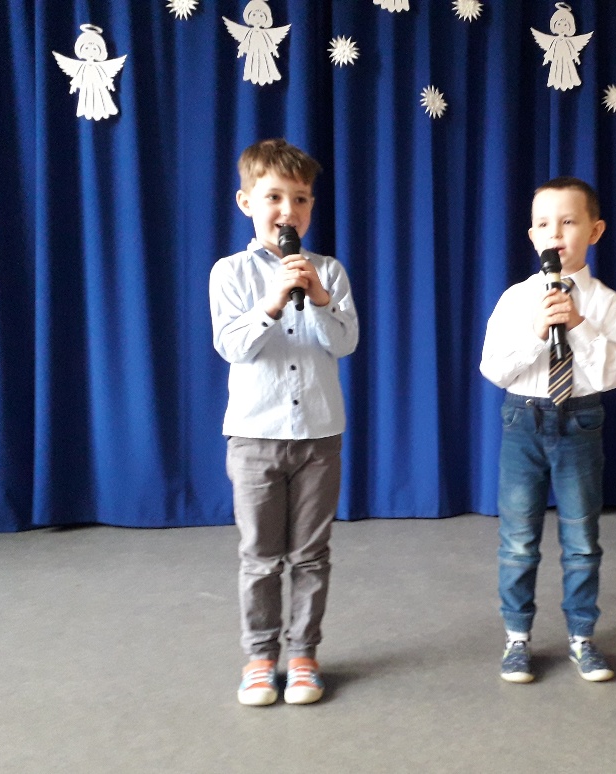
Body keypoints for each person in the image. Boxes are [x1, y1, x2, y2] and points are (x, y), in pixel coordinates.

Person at [209, 138, 359, 706]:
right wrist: (272, 302)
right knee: (259, 555)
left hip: (319, 436)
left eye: (300, 199)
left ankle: (303, 656)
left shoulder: (330, 271)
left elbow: (344, 342)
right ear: (246, 202)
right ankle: (259, 657)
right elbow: (232, 346)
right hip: (254, 437)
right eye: (273, 197)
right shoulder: (230, 273)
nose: (287, 211)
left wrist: (317, 297)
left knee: (312, 554)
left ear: (311, 207)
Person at [479, 176, 616, 683]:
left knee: (582, 540)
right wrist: (537, 332)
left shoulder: (606, 303)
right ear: (531, 236)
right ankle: (517, 638)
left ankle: (582, 637)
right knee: (518, 540)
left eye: (569, 222)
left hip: (580, 421)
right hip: (523, 420)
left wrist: (579, 327)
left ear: (595, 231)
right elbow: (493, 369)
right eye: (544, 224)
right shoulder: (515, 300)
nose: (556, 233)